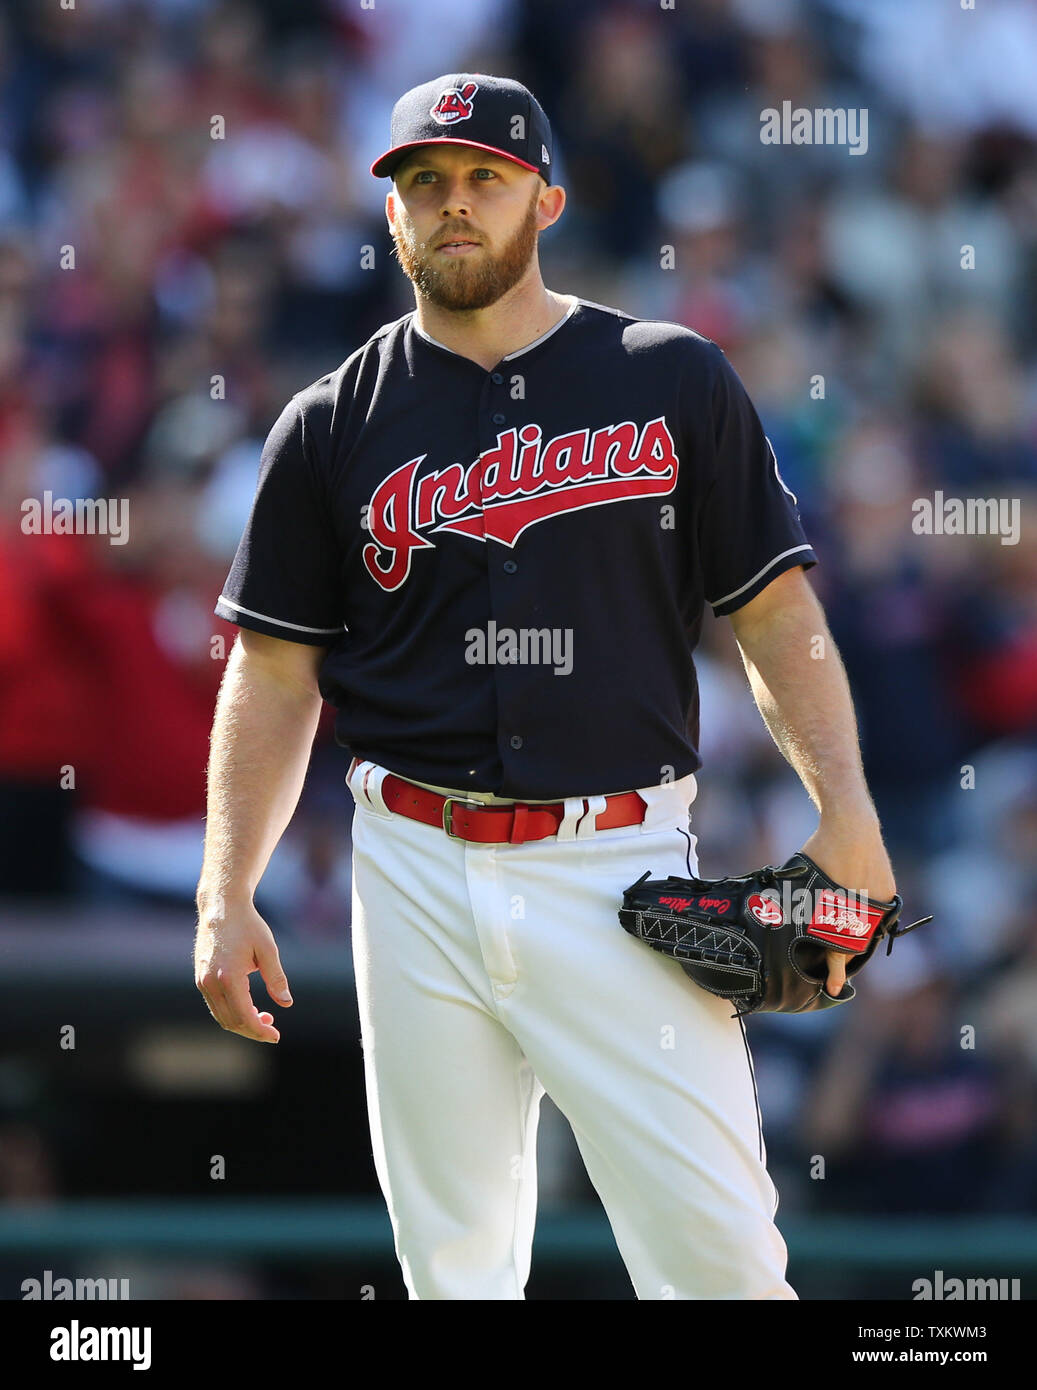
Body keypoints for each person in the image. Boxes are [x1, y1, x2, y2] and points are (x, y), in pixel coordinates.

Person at [194, 73, 898, 1300]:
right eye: (422, 183)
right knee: (453, 1272)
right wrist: (224, 885)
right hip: (407, 862)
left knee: (722, 1267)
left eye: (481, 178)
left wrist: (845, 811)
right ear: (392, 218)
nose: (450, 205)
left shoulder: (667, 377)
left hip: (616, 862)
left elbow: (775, 613)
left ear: (545, 199)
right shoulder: (328, 421)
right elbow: (272, 666)